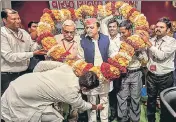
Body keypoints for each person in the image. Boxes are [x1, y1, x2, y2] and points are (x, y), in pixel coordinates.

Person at [1, 61, 104, 122]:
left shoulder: (66, 68)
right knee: (57, 119)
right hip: (20, 97)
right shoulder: (71, 94)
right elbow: (82, 105)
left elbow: (41, 64)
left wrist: (36, 78)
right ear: (85, 89)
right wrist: (96, 107)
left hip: (20, 81)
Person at [1, 8, 45, 94]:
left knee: (23, 104)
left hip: (24, 74)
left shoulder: (23, 32)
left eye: (18, 18)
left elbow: (33, 47)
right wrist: (32, 54)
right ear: (4, 20)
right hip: (8, 76)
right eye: (14, 19)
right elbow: (9, 57)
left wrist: (41, 41)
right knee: (9, 104)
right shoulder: (2, 33)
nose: (18, 21)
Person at [141, 17, 176, 122]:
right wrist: (140, 52)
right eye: (157, 26)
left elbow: (161, 56)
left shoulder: (172, 41)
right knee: (150, 100)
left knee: (164, 102)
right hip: (151, 75)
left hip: (165, 76)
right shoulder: (151, 40)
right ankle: (151, 120)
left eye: (162, 27)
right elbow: (146, 58)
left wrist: (148, 44)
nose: (158, 29)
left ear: (168, 30)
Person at [78, 18, 110, 122]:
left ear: (98, 28)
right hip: (89, 77)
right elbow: (80, 59)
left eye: (92, 27)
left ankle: (104, 120)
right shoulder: (82, 40)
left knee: (104, 99)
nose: (89, 30)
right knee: (91, 101)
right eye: (87, 27)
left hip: (104, 76)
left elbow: (113, 55)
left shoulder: (106, 39)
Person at [117, 20, 148, 122]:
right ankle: (123, 119)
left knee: (135, 99)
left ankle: (134, 119)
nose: (121, 34)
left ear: (130, 30)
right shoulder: (119, 41)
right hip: (123, 74)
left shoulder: (138, 41)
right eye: (120, 32)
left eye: (123, 32)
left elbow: (146, 60)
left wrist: (137, 51)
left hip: (136, 73)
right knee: (122, 98)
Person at [101, 15, 121, 121]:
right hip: (108, 69)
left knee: (119, 92)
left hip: (119, 69)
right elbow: (103, 21)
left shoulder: (121, 38)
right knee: (110, 92)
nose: (112, 28)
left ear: (117, 27)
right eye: (110, 26)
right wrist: (113, 14)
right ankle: (112, 113)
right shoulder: (105, 36)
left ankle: (120, 113)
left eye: (114, 26)